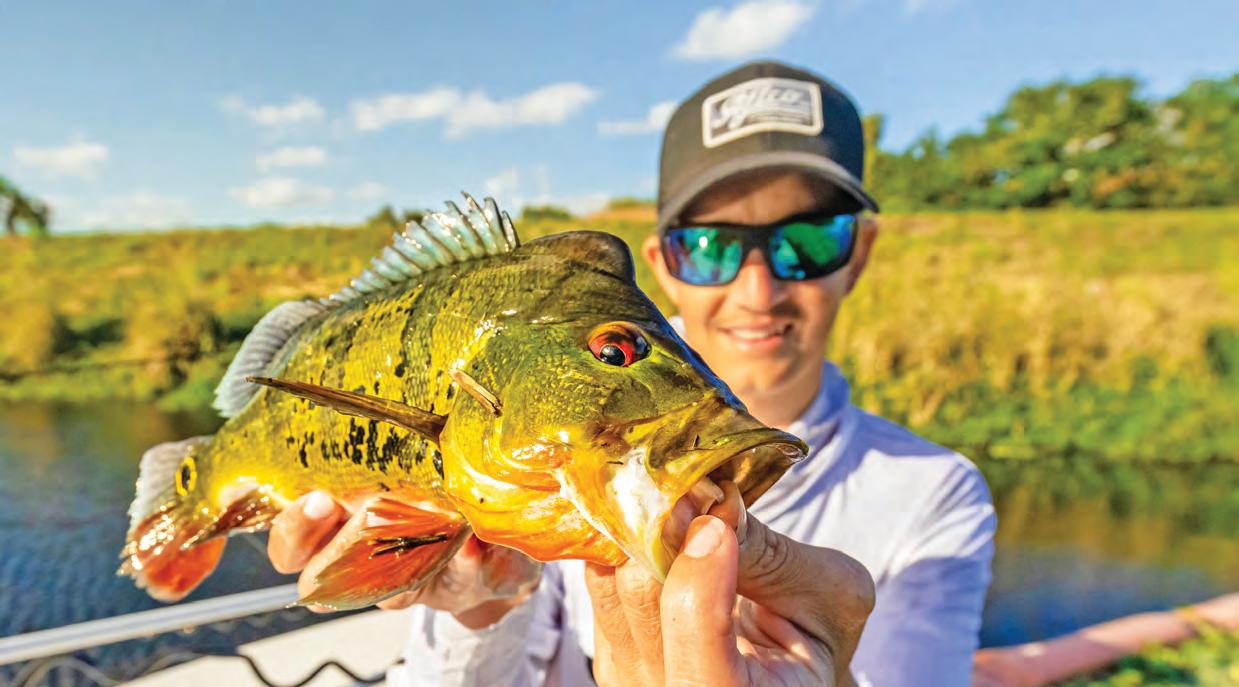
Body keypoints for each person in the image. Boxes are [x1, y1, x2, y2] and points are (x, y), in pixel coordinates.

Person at [269, 61, 997, 686]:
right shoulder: (560, 417)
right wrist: (483, 606)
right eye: (710, 247)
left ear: (858, 255)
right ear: (661, 265)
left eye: (807, 241)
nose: (757, 290)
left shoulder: (937, 494)